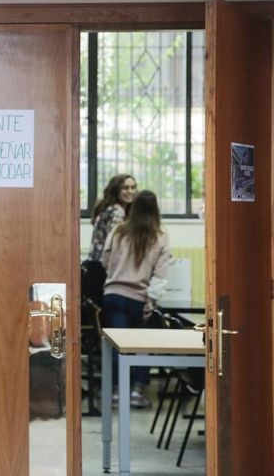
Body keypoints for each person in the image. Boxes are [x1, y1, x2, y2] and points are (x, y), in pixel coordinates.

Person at [101, 190, 171, 408]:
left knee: (117, 346)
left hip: (113, 295)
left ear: (133, 208)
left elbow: (104, 260)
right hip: (139, 299)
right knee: (142, 346)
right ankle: (136, 392)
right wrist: (151, 302)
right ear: (155, 210)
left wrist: (118, 274)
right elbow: (160, 275)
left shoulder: (118, 231)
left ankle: (114, 392)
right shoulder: (160, 236)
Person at [88, 174, 137, 262]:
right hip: (105, 266)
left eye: (133, 188)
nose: (130, 191)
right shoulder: (116, 212)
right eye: (125, 188)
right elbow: (117, 245)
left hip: (96, 264)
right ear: (116, 190)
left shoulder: (109, 208)